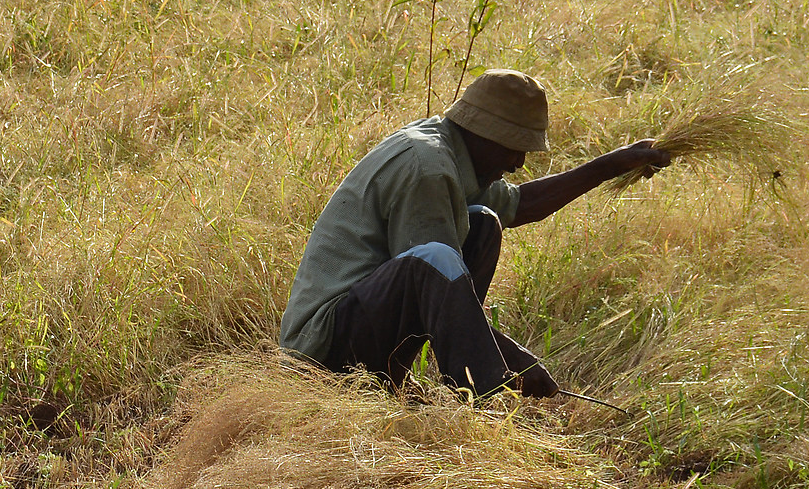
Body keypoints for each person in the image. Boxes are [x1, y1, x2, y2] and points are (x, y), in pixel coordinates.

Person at [278, 70, 672, 397]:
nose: (518, 162)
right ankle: (476, 400)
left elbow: (522, 204)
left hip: (358, 321)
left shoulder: (453, 149)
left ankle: (396, 379)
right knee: (438, 260)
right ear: (483, 133)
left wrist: (614, 164)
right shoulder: (428, 168)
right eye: (513, 148)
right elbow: (436, 279)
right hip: (322, 350)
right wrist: (508, 359)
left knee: (483, 223)